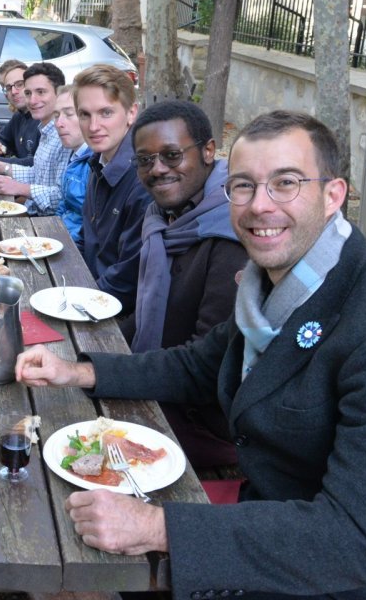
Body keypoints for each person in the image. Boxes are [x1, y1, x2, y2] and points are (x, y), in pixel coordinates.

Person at [16, 110, 366, 600]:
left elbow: (354, 541)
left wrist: (158, 528)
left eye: (285, 183)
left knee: (74, 582)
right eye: (243, 186)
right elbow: (197, 364)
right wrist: (78, 370)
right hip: (274, 518)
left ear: (333, 195)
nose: (260, 205)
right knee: (65, 535)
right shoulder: (275, 291)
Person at [128, 99, 247, 469]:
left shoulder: (232, 238)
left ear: (209, 151)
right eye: (145, 160)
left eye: (172, 155)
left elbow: (206, 369)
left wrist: (106, 372)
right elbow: (145, 313)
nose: (158, 169)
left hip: (203, 423)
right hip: (162, 379)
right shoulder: (163, 218)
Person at [74, 64, 150, 326]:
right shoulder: (97, 163)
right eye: (85, 114)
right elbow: (86, 241)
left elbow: (126, 280)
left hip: (116, 319)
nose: (93, 126)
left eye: (106, 112)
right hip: (89, 293)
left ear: (131, 113)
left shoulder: (143, 180)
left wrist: (75, 306)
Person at [0, 62, 71, 216]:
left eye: (41, 92)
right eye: (28, 93)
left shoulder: (65, 134)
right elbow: (37, 173)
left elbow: (62, 198)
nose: (32, 101)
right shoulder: (46, 129)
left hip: (49, 223)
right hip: (33, 212)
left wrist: (21, 188)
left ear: (59, 94)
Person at [53, 85, 91, 243]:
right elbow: (64, 205)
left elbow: (88, 227)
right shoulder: (74, 154)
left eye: (69, 114)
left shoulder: (96, 162)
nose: (58, 123)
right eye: (56, 116)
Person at [0, 59, 40, 165]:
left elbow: (37, 164)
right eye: (8, 88)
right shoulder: (19, 116)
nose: (13, 92)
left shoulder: (44, 118)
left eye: (19, 84)